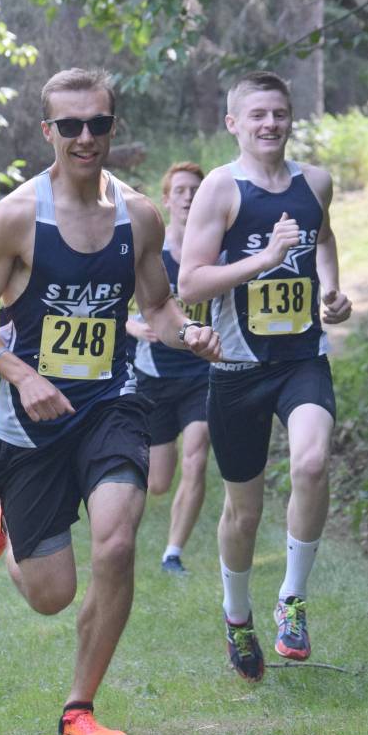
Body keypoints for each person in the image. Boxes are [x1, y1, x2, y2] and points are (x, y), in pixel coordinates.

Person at [0, 68, 221, 735]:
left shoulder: (139, 215)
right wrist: (19, 373)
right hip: (31, 422)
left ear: (112, 128)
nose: (85, 136)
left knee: (119, 542)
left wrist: (188, 332)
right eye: (70, 125)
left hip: (111, 403)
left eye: (97, 123)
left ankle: (79, 708)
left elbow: (156, 304)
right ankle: (8, 519)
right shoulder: (18, 217)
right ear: (49, 133)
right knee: (51, 593)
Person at [178, 70, 352, 682]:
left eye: (279, 113)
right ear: (234, 124)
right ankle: (237, 615)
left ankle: (293, 600)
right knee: (243, 512)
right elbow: (189, 283)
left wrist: (330, 289)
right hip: (236, 367)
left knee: (310, 463)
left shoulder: (316, 182)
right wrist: (265, 260)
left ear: (290, 117)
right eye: (257, 115)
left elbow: (324, 238)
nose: (270, 124)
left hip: (303, 358)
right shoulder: (221, 190)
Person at [126, 161, 211, 574]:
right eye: (181, 190)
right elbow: (114, 309)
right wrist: (134, 328)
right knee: (158, 481)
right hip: (155, 378)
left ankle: (172, 553)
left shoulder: (214, 254)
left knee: (196, 457)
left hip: (201, 376)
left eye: (196, 189)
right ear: (167, 199)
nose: (189, 196)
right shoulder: (149, 256)